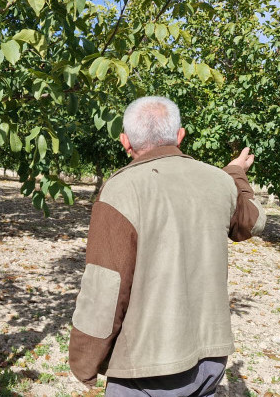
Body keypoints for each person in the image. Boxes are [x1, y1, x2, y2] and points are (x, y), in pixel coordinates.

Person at [69, 96, 266, 396]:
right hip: (211, 357)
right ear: (179, 136)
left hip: (149, 368)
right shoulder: (219, 182)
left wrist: (84, 362)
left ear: (125, 142)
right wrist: (235, 174)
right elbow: (253, 222)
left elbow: (105, 289)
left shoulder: (122, 189)